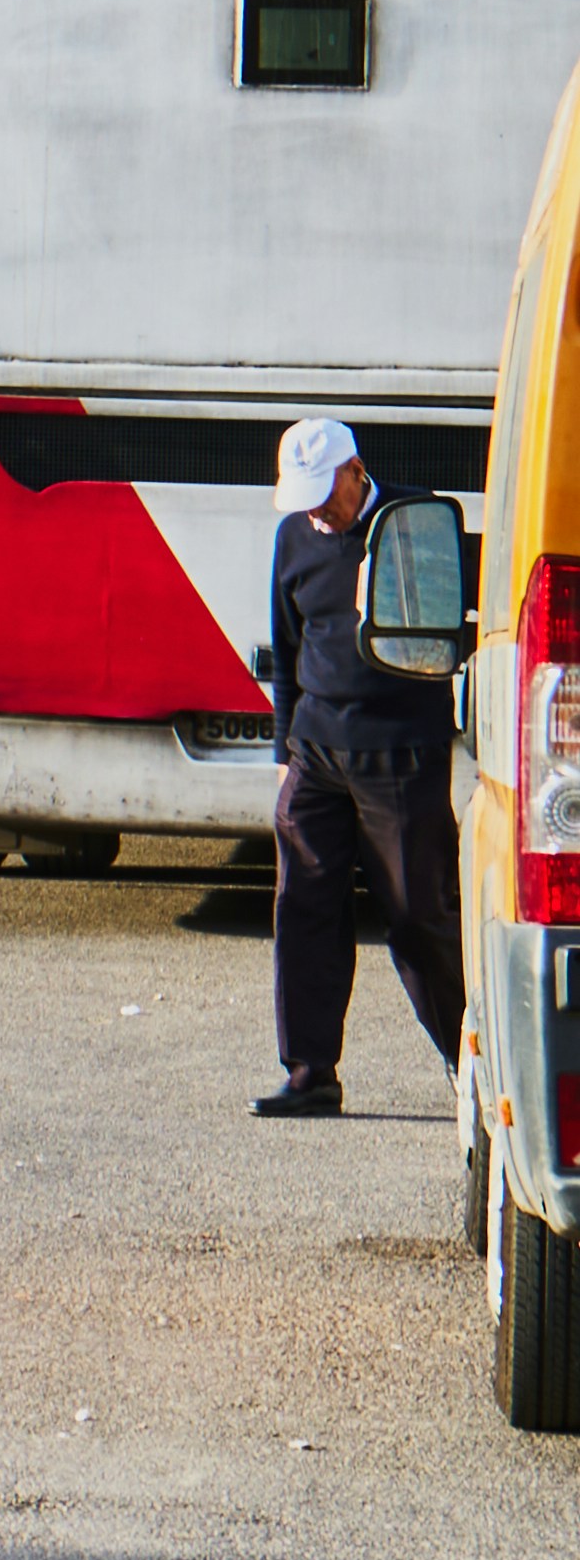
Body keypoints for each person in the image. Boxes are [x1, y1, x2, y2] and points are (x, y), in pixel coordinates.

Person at [254, 414, 466, 1122]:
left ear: (356, 471)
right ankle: (310, 1073)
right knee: (304, 907)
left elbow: (451, 630)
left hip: (401, 750)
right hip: (317, 749)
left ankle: (470, 1059)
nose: (317, 511)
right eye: (304, 498)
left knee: (419, 916)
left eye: (325, 493)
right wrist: (285, 754)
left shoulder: (416, 522)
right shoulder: (294, 538)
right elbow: (288, 649)